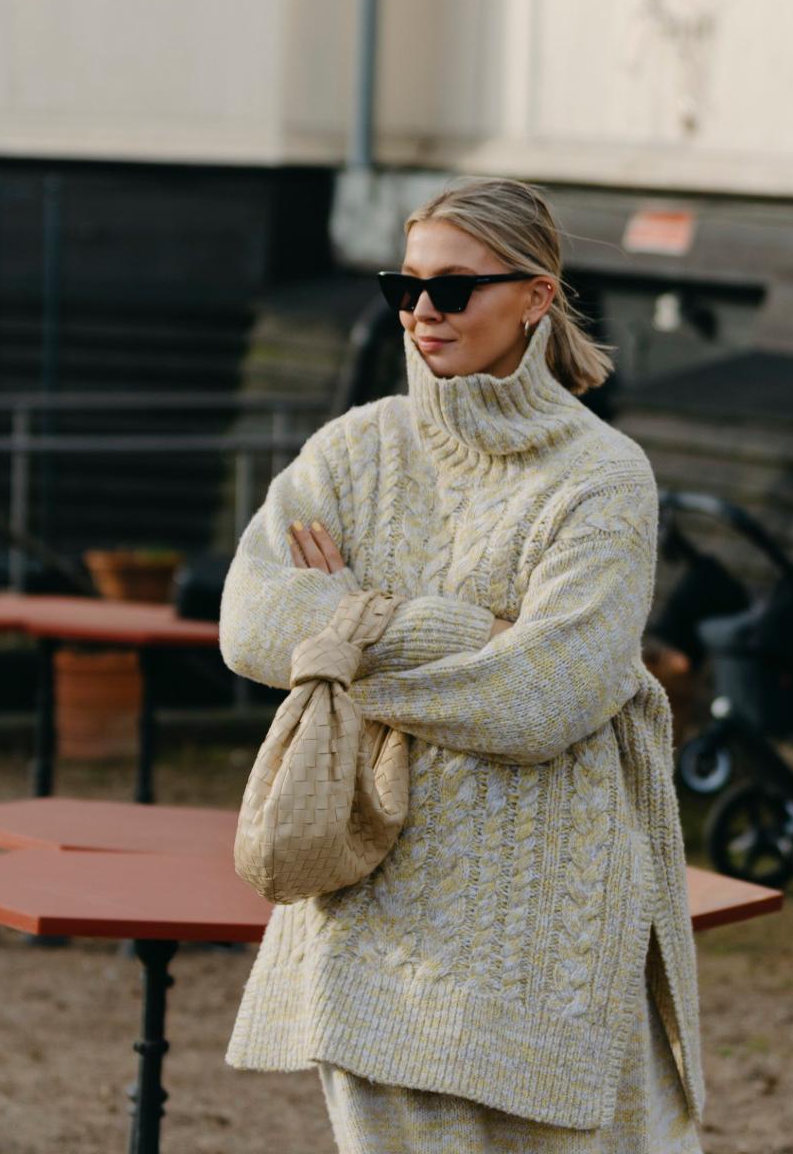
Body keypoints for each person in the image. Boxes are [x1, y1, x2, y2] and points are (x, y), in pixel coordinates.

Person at [220, 176, 706, 1153]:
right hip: (370, 906)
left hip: (552, 910)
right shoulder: (355, 451)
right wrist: (464, 631)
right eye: (404, 287)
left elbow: (547, 696)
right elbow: (252, 621)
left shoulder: (603, 476)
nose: (421, 312)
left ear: (536, 294)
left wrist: (350, 631)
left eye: (452, 288)